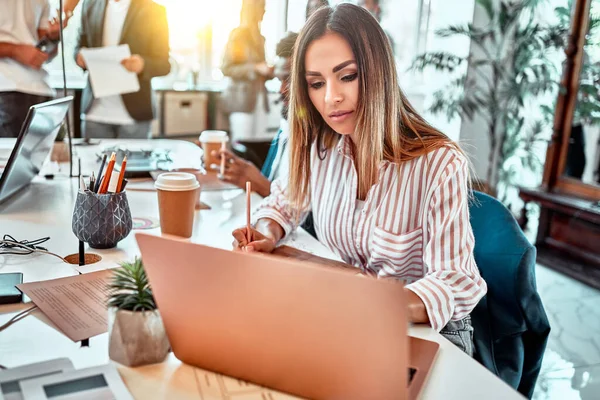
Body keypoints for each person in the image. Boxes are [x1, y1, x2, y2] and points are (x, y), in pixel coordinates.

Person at [231, 4, 487, 354]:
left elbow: (456, 283)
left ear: (377, 72)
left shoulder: (439, 163)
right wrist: (265, 232)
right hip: (347, 316)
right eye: (316, 83)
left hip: (426, 332)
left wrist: (365, 300)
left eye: (347, 76)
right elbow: (283, 203)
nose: (331, 97)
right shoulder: (321, 145)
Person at [215, 32, 298, 197]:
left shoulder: (319, 142)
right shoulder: (285, 128)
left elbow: (304, 217)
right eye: (279, 80)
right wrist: (245, 175)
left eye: (288, 80)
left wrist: (260, 184)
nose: (281, 90)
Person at [75, 0, 170, 139]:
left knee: (133, 162)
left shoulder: (153, 10)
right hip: (95, 112)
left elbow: (164, 64)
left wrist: (142, 64)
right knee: (94, 161)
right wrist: (78, 57)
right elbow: (79, 46)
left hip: (134, 115)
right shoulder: (90, 4)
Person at [0, 0, 59, 138]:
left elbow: (48, 54)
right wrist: (14, 50)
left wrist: (53, 37)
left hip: (41, 91)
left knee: (39, 157)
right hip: (6, 88)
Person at [222, 0, 273, 143]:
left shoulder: (261, 38)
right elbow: (227, 68)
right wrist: (256, 67)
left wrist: (268, 71)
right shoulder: (238, 35)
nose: (264, 11)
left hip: (260, 100)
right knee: (242, 145)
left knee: (258, 147)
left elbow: (259, 69)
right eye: (262, 7)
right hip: (241, 100)